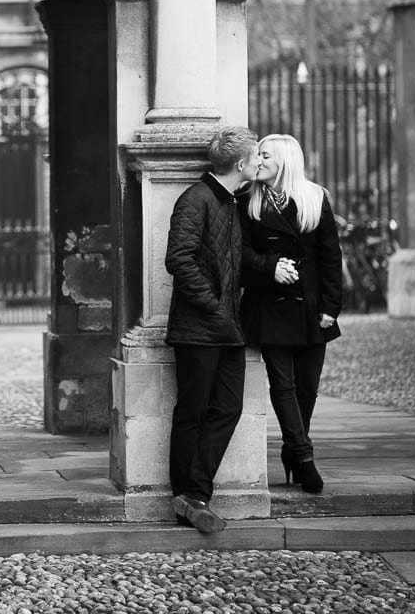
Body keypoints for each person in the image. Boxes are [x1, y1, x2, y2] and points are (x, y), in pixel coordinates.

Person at [165, 125, 260, 534]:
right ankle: (186, 494)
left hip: (227, 327)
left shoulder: (233, 202)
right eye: (256, 157)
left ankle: (194, 494)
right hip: (198, 327)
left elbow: (236, 258)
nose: (260, 163)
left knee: (228, 407)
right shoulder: (196, 199)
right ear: (241, 164)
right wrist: (214, 307)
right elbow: (179, 260)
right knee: (193, 410)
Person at [238, 134, 343, 494]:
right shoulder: (247, 199)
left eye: (265, 156)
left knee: (308, 388)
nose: (258, 161)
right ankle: (304, 456)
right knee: (283, 385)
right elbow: (240, 253)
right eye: (258, 155)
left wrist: (331, 307)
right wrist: (270, 267)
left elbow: (331, 256)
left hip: (312, 309)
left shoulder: (315, 198)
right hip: (269, 308)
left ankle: (291, 450)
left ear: (283, 161)